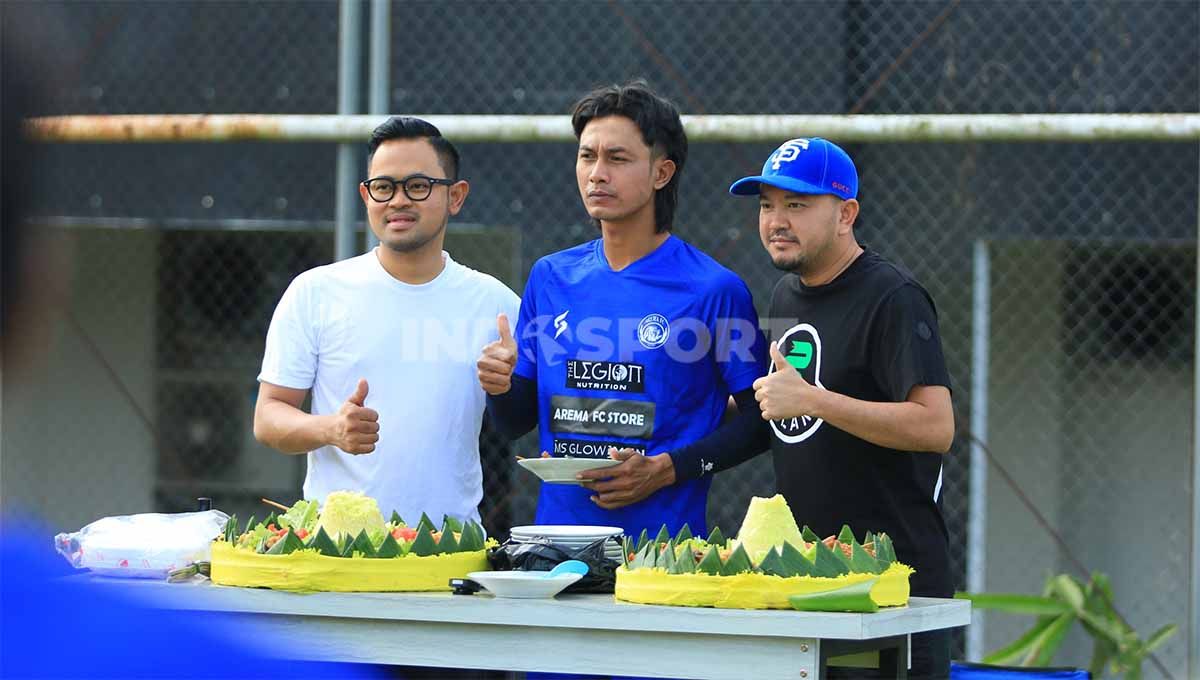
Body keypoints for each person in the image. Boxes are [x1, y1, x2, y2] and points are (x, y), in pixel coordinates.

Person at [479, 81, 767, 539]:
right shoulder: (551, 276)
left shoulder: (714, 289)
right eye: (586, 156)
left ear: (662, 173)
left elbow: (761, 424)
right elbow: (515, 423)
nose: (596, 173)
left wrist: (666, 469)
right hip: (556, 546)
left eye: (617, 158)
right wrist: (498, 386)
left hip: (662, 556)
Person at [732, 137, 955, 679]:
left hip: (889, 590)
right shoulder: (785, 295)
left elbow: (935, 426)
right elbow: (785, 418)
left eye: (797, 205)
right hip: (806, 582)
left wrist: (813, 399)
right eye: (766, 205)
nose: (776, 221)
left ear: (846, 214)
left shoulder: (893, 296)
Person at [253, 116, 520, 525]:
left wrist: (508, 386)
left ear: (456, 196)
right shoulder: (315, 291)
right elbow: (269, 417)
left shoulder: (496, 304)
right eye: (383, 187)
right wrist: (331, 429)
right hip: (336, 550)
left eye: (417, 186)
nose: (397, 201)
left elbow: (530, 416)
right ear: (366, 195)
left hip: (449, 547)